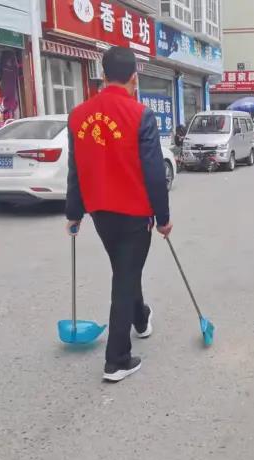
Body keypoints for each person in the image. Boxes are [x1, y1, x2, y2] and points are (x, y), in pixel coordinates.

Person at [65, 46, 172, 382]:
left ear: (103, 72)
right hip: (134, 213)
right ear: (134, 77)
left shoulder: (79, 114)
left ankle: (140, 318)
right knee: (125, 276)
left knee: (125, 270)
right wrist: (164, 216)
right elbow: (154, 171)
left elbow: (76, 168)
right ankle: (117, 359)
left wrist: (74, 211)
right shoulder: (140, 114)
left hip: (100, 213)